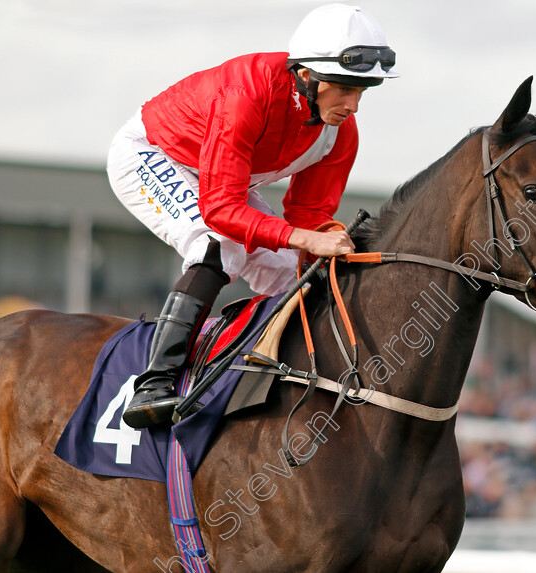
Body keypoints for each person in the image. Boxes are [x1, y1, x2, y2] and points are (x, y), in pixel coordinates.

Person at [106, 4, 398, 429]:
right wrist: (304, 238)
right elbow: (221, 209)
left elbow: (309, 215)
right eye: (344, 89)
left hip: (222, 180)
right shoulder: (245, 95)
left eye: (363, 90)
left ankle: (289, 380)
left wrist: (322, 244)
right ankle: (154, 382)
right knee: (217, 244)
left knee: (293, 276)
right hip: (154, 154)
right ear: (306, 75)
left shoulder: (340, 131)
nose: (353, 105)